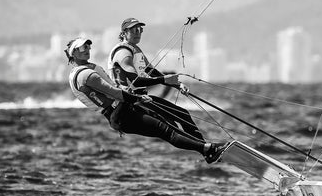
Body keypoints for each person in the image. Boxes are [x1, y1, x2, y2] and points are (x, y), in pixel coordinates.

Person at [65, 37, 228, 163]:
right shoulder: (85, 75)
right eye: (82, 48)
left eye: (88, 46)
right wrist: (137, 97)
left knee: (169, 124)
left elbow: (115, 88)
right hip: (120, 114)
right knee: (167, 130)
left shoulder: (87, 68)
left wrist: (131, 95)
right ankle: (208, 149)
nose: (87, 49)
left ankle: (207, 149)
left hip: (124, 108)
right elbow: (113, 93)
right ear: (73, 53)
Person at [107, 17, 203, 142]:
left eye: (140, 29)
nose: (138, 32)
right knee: (171, 126)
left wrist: (178, 85)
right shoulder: (123, 52)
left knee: (183, 114)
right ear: (124, 33)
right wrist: (163, 80)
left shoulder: (136, 50)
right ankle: (205, 148)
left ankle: (204, 145)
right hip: (130, 102)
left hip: (143, 97)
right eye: (134, 30)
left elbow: (152, 72)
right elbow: (136, 81)